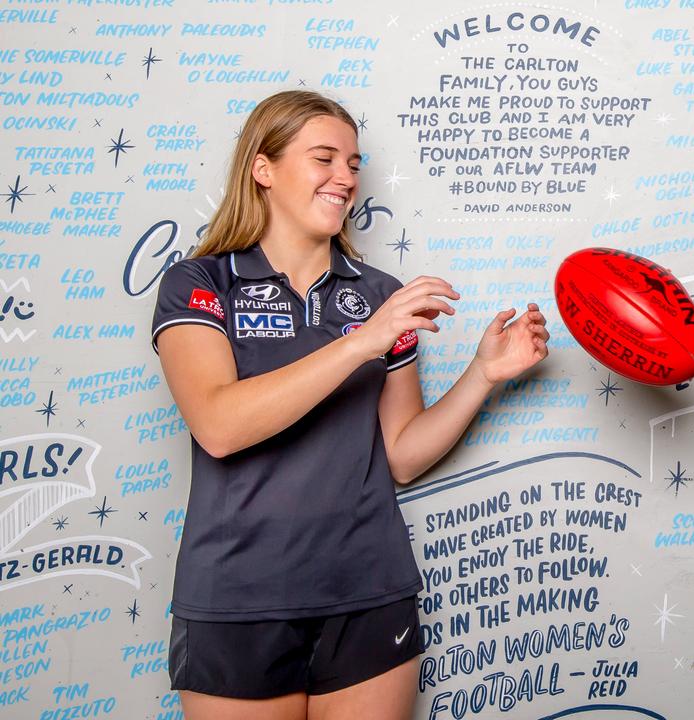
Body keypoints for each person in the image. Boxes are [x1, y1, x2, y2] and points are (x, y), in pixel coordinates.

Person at [151, 90, 549, 720]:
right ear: (263, 168)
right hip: (238, 597)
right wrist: (362, 341)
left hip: (369, 592)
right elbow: (219, 425)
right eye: (324, 159)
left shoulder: (382, 295)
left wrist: (482, 375)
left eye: (355, 163)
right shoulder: (200, 284)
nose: (346, 178)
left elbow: (402, 456)